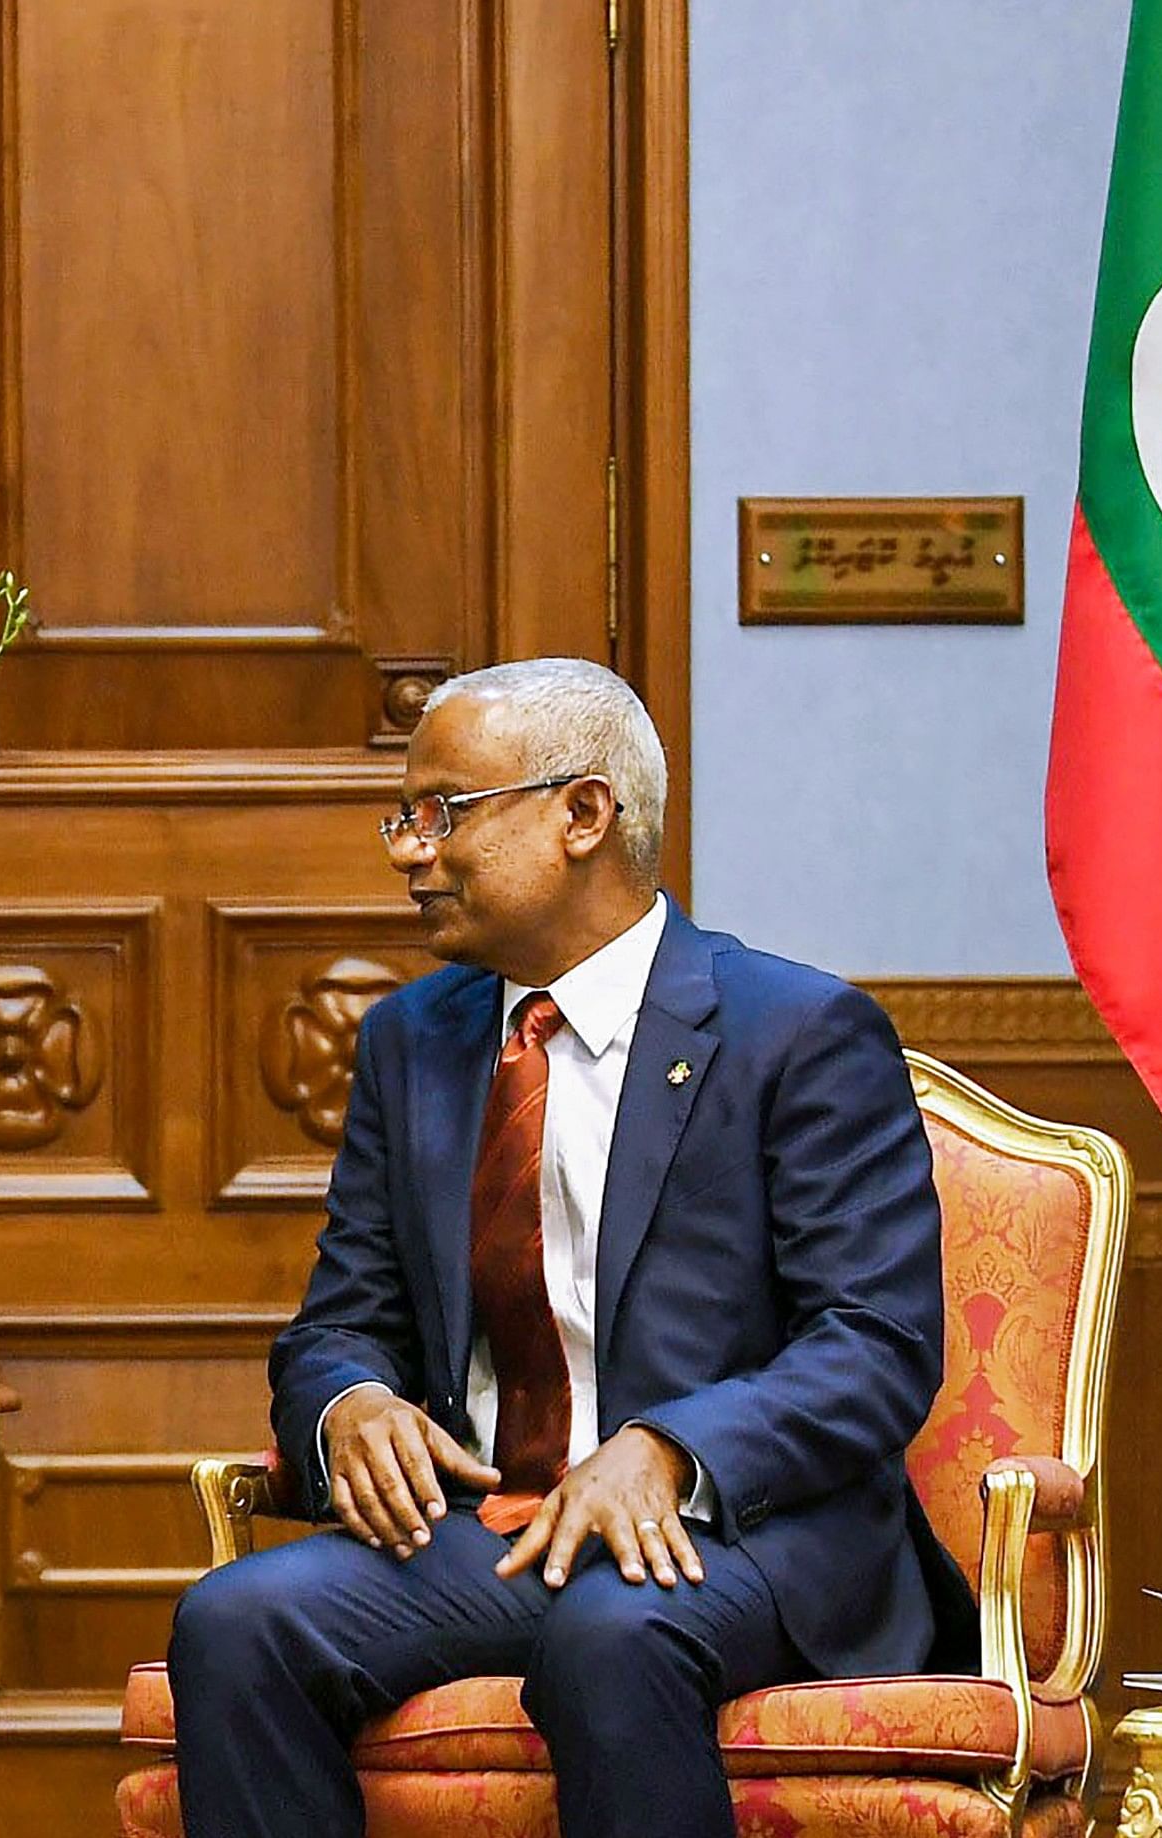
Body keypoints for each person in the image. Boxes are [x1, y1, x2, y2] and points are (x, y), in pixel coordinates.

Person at [166, 658, 966, 1838]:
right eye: (402, 816)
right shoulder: (413, 1041)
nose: (408, 848)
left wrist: (668, 1447)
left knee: (612, 1634)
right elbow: (341, 1322)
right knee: (237, 1620)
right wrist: (349, 1408)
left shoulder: (796, 1032)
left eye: (443, 812)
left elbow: (876, 1344)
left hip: (741, 1535)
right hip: (499, 1527)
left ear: (583, 814)